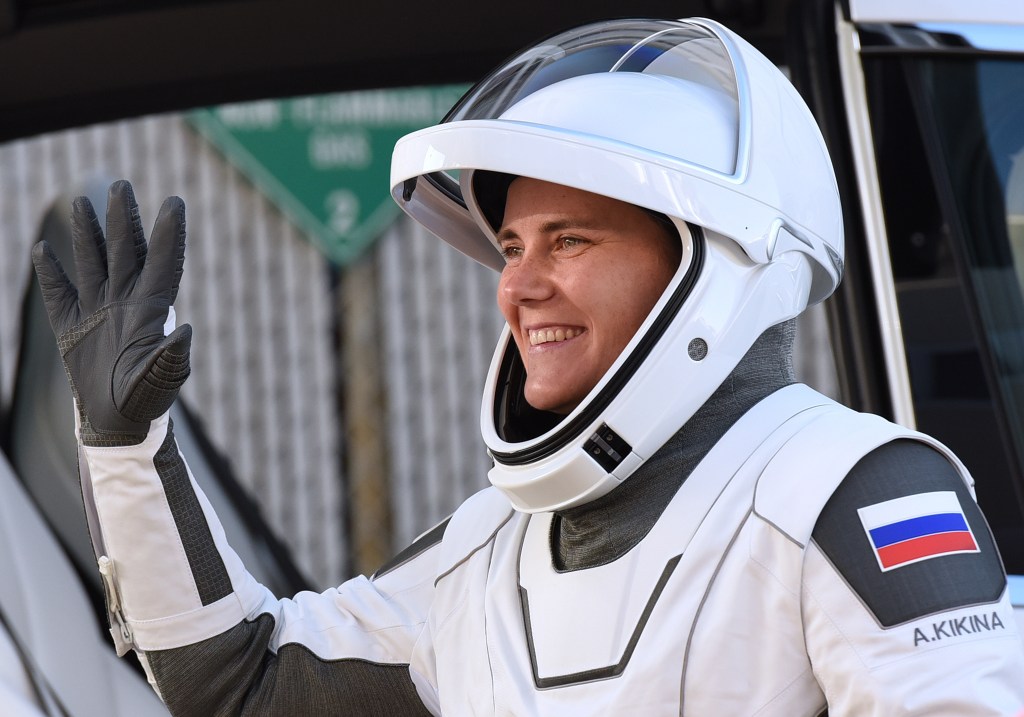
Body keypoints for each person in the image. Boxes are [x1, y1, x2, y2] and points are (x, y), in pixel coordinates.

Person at [30, 16, 1024, 716]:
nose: (518, 286)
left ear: (716, 265)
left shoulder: (853, 492)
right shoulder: (489, 550)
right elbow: (234, 680)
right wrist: (125, 447)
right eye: (511, 247)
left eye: (570, 241)